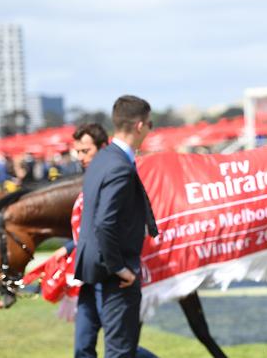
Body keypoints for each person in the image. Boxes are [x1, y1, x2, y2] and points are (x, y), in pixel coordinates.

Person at [75, 95, 158, 358]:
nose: (149, 130)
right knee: (121, 351)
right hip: (114, 274)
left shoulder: (101, 160)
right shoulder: (119, 165)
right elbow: (104, 223)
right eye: (150, 124)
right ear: (139, 125)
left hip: (95, 269)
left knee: (122, 349)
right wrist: (120, 268)